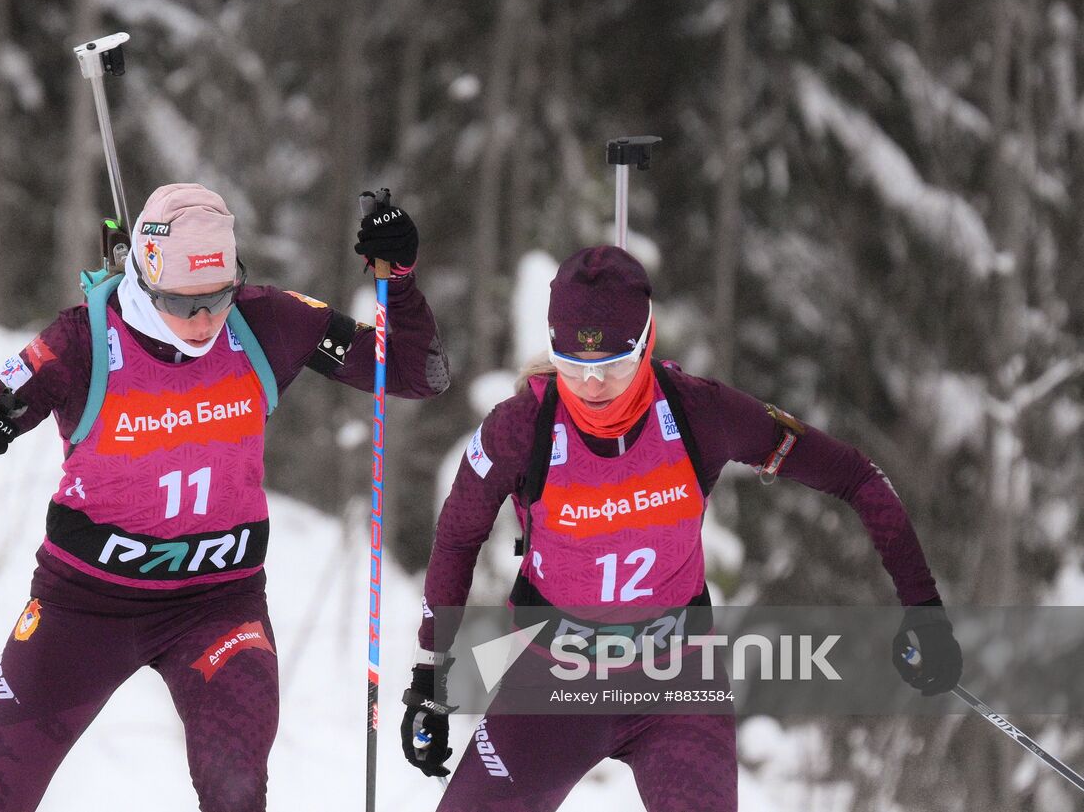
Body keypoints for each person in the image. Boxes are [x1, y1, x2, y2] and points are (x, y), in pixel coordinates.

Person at [0, 183, 448, 812]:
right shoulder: (82, 340)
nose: (202, 322)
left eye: (216, 298)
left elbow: (417, 372)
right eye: (179, 302)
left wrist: (402, 280)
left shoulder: (267, 321)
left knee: (236, 788)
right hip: (84, 608)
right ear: (144, 274)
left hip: (219, 604)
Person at [398, 245, 962, 811]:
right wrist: (430, 671)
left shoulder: (699, 414)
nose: (592, 388)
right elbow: (458, 536)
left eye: (613, 366)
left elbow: (855, 475)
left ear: (647, 343)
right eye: (572, 366)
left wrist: (925, 609)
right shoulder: (522, 429)